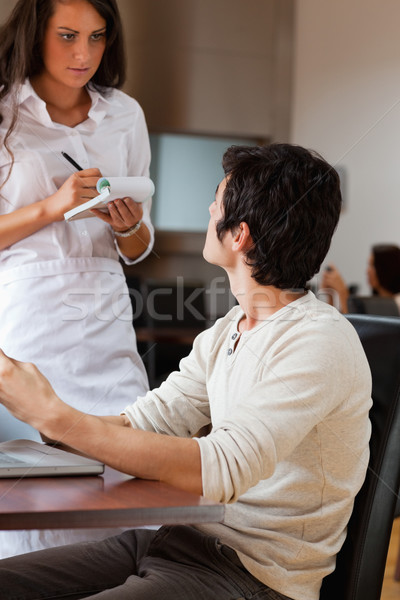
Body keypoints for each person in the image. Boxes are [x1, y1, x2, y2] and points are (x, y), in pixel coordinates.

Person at [0, 143, 372, 600]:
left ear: (240, 235)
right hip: (172, 541)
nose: (209, 208)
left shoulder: (320, 340)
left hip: (249, 576)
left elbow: (219, 468)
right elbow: (146, 422)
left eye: (216, 200)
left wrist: (54, 416)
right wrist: (44, 415)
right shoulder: (230, 329)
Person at [0, 0, 154, 556]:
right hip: (27, 316)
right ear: (34, 34)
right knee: (32, 477)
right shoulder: (4, 112)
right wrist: (52, 206)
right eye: (67, 36)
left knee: (128, 455)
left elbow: (136, 249)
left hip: (106, 311)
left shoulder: (124, 115)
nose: (83, 54)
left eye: (97, 37)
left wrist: (129, 225)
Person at [321, 244, 400, 313]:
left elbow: (357, 327)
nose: (367, 271)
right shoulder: (370, 304)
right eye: (369, 265)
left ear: (387, 268)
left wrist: (343, 293)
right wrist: (331, 296)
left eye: (373, 265)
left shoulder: (397, 302)